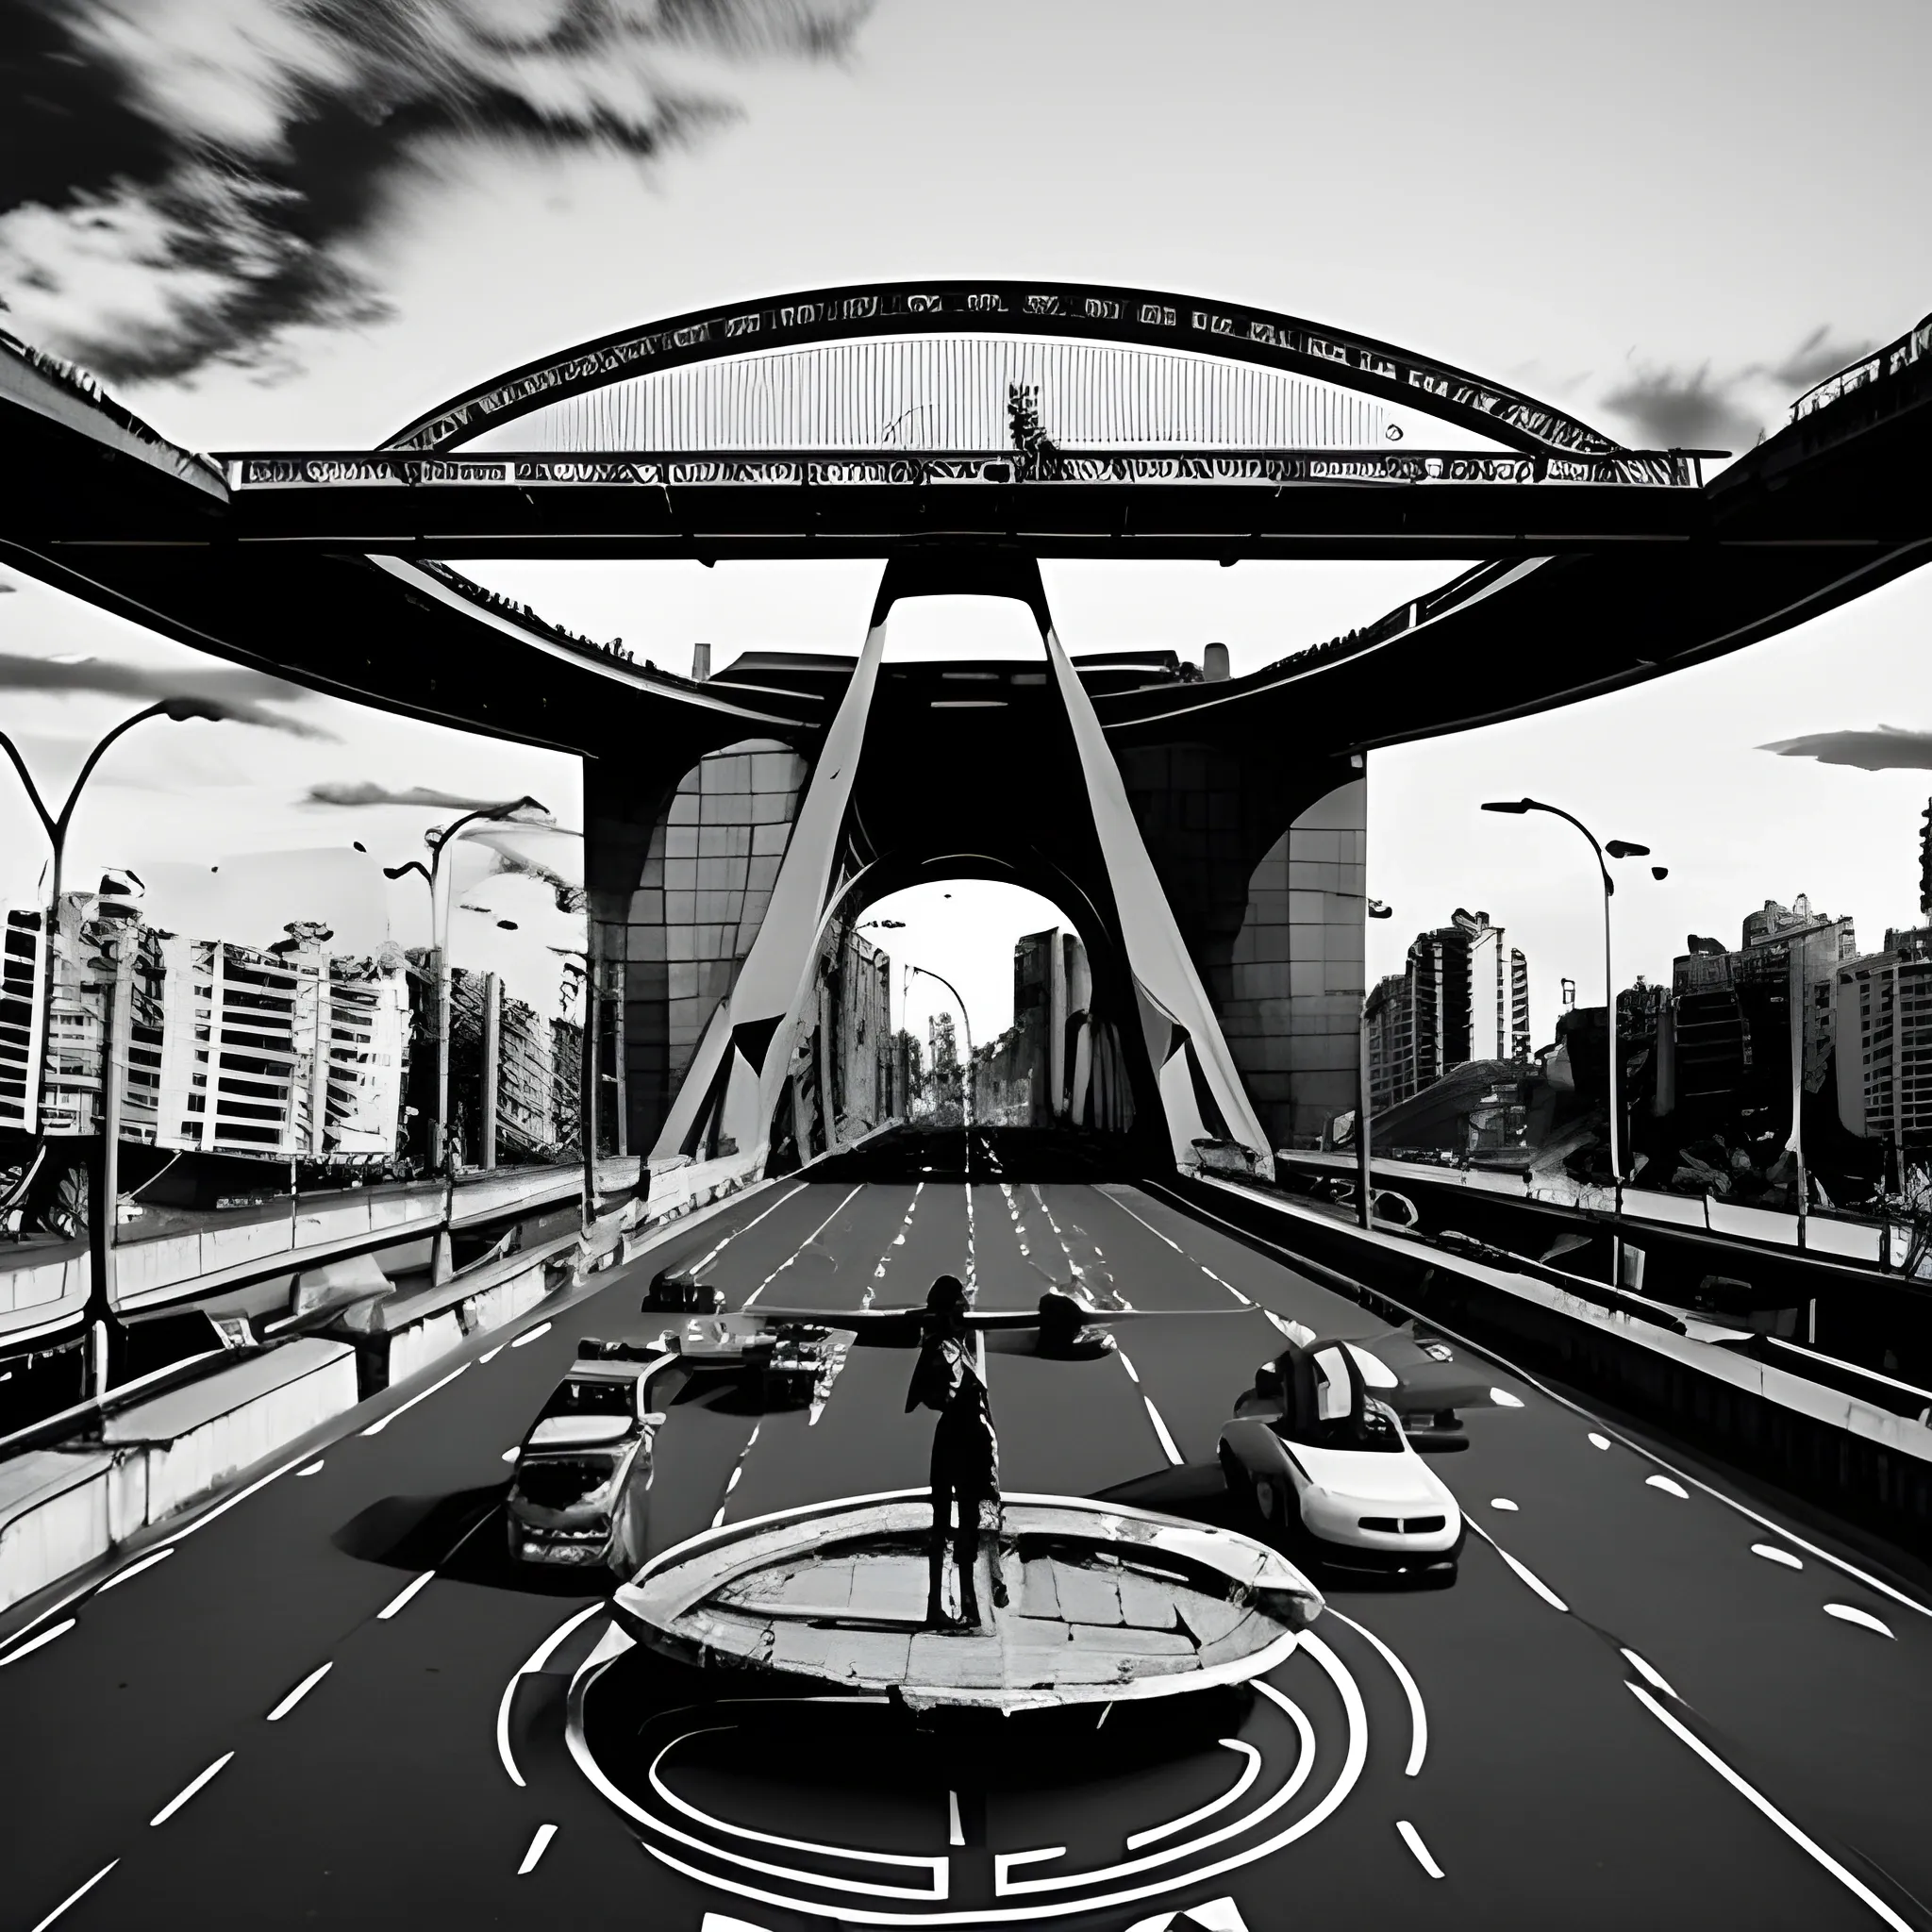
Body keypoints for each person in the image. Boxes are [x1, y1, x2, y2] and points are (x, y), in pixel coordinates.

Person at [906, 1274, 1006, 1630]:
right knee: (960, 1525)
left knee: (959, 1525)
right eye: (960, 1301)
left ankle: (960, 1603)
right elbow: (942, 1394)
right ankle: (956, 1604)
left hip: (963, 1437)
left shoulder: (955, 1346)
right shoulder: (946, 1349)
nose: (966, 1306)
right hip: (965, 1439)